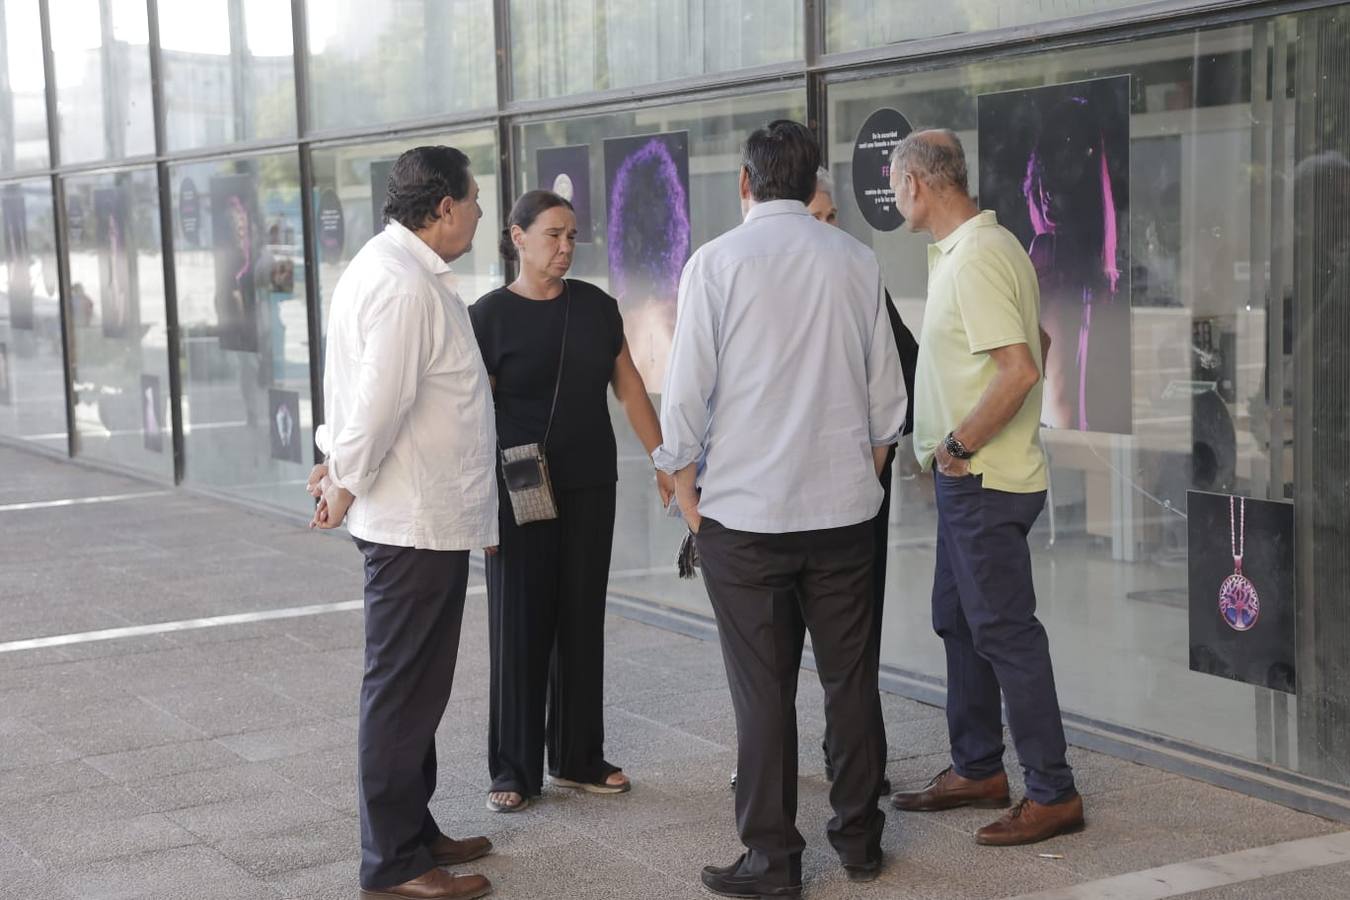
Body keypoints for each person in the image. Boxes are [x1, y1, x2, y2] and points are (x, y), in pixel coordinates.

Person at [655, 120, 906, 898]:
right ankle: (861, 841)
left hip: (745, 520)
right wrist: (855, 478)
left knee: (762, 691)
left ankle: (772, 859)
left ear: (745, 183)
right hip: (842, 516)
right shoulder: (858, 261)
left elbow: (686, 397)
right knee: (850, 680)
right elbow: (886, 405)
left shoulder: (715, 264)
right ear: (811, 185)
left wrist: (687, 496)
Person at [308, 146, 497, 900]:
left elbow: (362, 395)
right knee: (401, 692)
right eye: (475, 198)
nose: (481, 210)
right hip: (411, 521)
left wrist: (336, 462)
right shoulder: (402, 283)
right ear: (444, 207)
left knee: (417, 688)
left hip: (426, 518)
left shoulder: (398, 270)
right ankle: (393, 863)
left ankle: (413, 831)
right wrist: (344, 480)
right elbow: (377, 403)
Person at [886, 129, 1084, 845]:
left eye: (894, 182)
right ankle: (976, 768)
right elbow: (1043, 345)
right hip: (968, 482)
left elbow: (1021, 367)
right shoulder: (971, 253)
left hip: (984, 480)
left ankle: (1053, 793)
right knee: (959, 618)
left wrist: (959, 444)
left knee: (1004, 631)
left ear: (919, 182)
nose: (892, 196)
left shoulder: (976, 258)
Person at [469, 190, 675, 814]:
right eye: (553, 235)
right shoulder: (489, 317)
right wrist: (476, 501)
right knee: (521, 623)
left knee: (581, 618)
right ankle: (513, 768)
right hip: (520, 487)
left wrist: (664, 458)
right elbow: (474, 416)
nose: (564, 248)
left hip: (590, 482)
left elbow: (630, 386)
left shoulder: (595, 306)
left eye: (572, 236)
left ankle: (579, 756)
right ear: (517, 237)